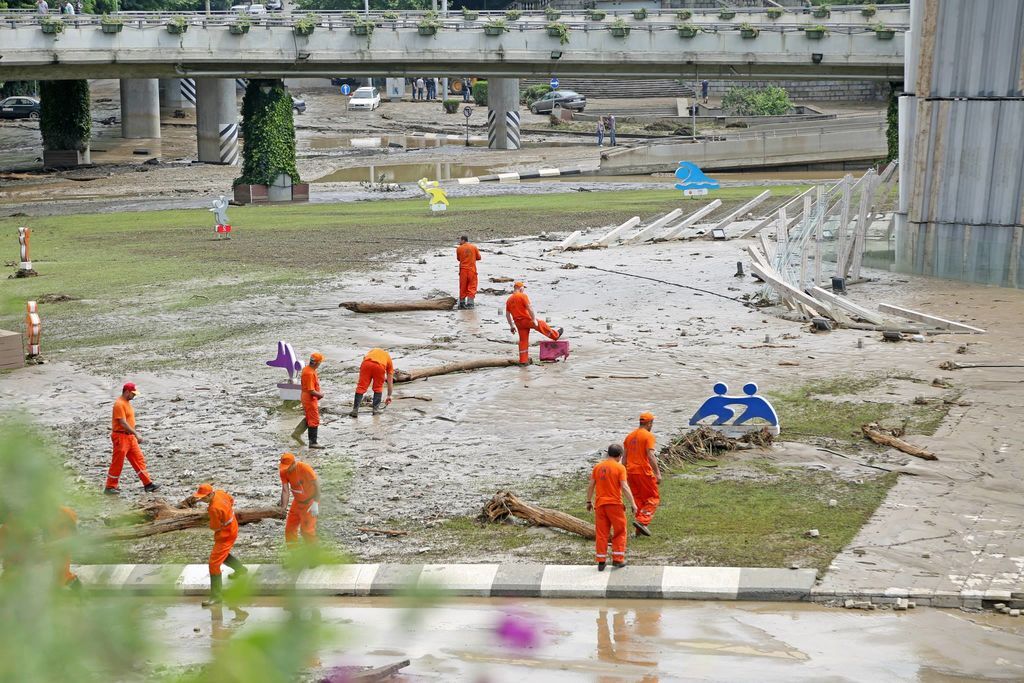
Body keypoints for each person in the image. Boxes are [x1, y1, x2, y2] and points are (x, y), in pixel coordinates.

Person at [193, 483, 247, 607]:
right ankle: (240, 569)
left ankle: (216, 597)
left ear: (211, 494)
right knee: (222, 554)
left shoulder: (213, 508)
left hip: (225, 534)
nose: (202, 499)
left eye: (204, 497)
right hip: (233, 526)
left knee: (214, 563)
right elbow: (231, 500)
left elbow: (215, 527)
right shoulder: (220, 493)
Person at [586, 444, 637, 571]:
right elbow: (624, 487)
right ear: (620, 456)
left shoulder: (597, 467)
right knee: (620, 531)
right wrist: (633, 503)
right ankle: (618, 559)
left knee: (601, 533)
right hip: (615, 505)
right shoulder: (620, 468)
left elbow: (591, 485)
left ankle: (601, 561)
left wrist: (588, 501)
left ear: (608, 454)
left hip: (600, 505)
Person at [105, 382, 160, 495]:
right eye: (133, 393)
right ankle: (110, 486)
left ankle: (148, 484)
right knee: (117, 463)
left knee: (139, 459)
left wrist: (134, 434)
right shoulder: (119, 404)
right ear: (127, 392)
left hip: (129, 437)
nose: (134, 396)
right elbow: (123, 423)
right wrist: (136, 433)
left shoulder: (126, 403)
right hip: (121, 437)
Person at [505, 281, 563, 365]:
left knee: (523, 341)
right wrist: (534, 319)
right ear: (521, 288)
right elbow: (530, 308)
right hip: (526, 320)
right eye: (523, 288)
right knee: (541, 323)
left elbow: (507, 315)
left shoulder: (509, 300)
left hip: (518, 323)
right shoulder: (522, 296)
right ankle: (555, 335)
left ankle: (523, 361)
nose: (523, 290)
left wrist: (511, 326)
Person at [623, 412, 661, 537]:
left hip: (630, 473)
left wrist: (623, 474)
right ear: (649, 423)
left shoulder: (629, 436)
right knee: (653, 499)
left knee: (639, 501)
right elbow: (650, 455)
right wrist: (657, 473)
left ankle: (638, 532)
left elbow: (624, 458)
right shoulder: (648, 436)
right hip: (643, 472)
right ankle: (642, 521)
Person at [279, 452, 319, 547]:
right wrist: (283, 508)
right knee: (290, 529)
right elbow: (285, 490)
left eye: (288, 467)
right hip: (297, 501)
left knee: (307, 531)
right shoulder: (283, 471)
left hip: (310, 501)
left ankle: (315, 555)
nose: (286, 470)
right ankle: (293, 554)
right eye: (284, 467)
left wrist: (316, 503)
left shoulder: (304, 468)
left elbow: (317, 485)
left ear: (293, 463)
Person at [292, 352, 325, 449]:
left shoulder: (308, 369)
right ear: (316, 363)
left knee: (309, 417)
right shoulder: (309, 373)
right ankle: (313, 442)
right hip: (309, 398)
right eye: (320, 362)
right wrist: (320, 394)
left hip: (308, 397)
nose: (320, 364)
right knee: (314, 419)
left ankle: (296, 434)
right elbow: (310, 390)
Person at [350, 347, 394, 417]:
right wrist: (389, 395)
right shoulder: (388, 357)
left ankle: (355, 410)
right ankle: (375, 410)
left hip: (366, 363)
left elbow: (364, 359)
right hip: (379, 366)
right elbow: (390, 380)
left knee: (361, 387)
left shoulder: (372, 351)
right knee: (378, 387)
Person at [456, 235, 482, 309]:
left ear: (463, 240)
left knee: (462, 287)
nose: (459, 242)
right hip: (472, 270)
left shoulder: (459, 248)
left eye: (460, 240)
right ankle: (470, 303)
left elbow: (458, 259)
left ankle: (462, 303)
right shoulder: (474, 247)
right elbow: (479, 258)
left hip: (463, 270)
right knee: (472, 286)